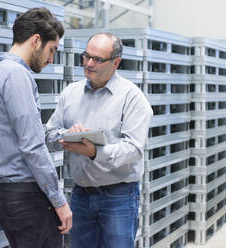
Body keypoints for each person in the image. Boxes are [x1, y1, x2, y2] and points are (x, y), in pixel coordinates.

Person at [0, 8, 72, 248]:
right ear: (36, 40)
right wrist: (59, 201)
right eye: (52, 50)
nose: (51, 60)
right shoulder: (17, 76)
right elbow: (32, 145)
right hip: (28, 198)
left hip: (6, 198)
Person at [46, 32, 153, 248]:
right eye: (86, 56)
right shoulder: (71, 93)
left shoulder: (132, 97)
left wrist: (93, 152)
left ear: (116, 63)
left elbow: (133, 149)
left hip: (118, 197)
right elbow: (49, 134)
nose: (89, 64)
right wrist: (67, 134)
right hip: (80, 195)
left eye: (98, 59)